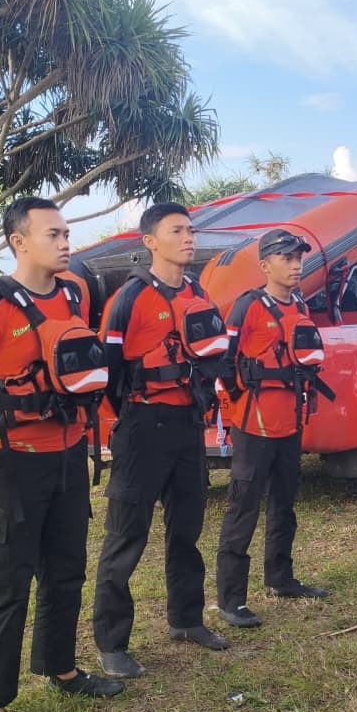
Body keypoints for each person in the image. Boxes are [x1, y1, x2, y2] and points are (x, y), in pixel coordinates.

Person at [0, 197, 123, 712]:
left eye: (67, 233)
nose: (66, 243)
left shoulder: (75, 293)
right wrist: (4, 425)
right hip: (9, 460)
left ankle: (62, 668)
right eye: (53, 234)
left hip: (68, 452)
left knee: (66, 568)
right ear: (19, 242)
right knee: (5, 583)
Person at [91, 202, 231, 678]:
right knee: (126, 536)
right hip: (141, 427)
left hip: (188, 426)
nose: (189, 238)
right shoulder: (129, 298)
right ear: (150, 241)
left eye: (191, 230)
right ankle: (112, 644)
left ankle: (187, 620)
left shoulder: (197, 291)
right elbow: (107, 372)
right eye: (177, 231)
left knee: (187, 528)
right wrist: (132, 414)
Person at [214, 228, 331, 629]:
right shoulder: (247, 306)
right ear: (265, 265)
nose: (296, 265)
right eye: (287, 258)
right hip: (254, 426)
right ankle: (231, 600)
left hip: (290, 423)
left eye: (299, 258)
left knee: (285, 502)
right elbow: (224, 360)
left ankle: (281, 578)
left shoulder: (299, 303)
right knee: (242, 509)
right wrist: (239, 398)